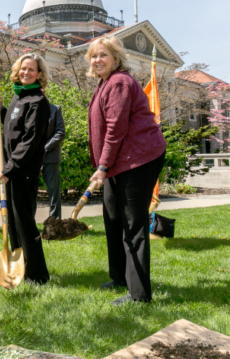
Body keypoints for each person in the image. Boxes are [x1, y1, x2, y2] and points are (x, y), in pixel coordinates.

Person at [86, 36, 166, 305]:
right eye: (94, 56)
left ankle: (139, 294)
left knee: (133, 225)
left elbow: (115, 129)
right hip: (120, 162)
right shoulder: (105, 83)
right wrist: (105, 167)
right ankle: (120, 277)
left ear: (116, 58)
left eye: (103, 55)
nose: (97, 60)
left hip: (138, 158)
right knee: (113, 219)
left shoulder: (119, 82)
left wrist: (102, 166)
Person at [0, 53, 51, 285]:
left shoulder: (38, 101)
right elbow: (13, 127)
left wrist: (9, 168)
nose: (26, 73)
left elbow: (30, 140)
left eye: (31, 70)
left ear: (39, 74)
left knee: (24, 222)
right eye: (23, 69)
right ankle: (21, 270)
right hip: (12, 170)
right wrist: (2, 109)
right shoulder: (19, 97)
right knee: (13, 223)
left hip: (23, 170)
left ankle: (38, 275)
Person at [40, 93, 65, 218]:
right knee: (29, 192)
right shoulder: (27, 109)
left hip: (50, 157)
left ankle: (55, 222)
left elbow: (60, 132)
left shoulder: (55, 109)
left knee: (54, 192)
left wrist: (45, 148)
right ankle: (29, 225)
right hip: (31, 158)